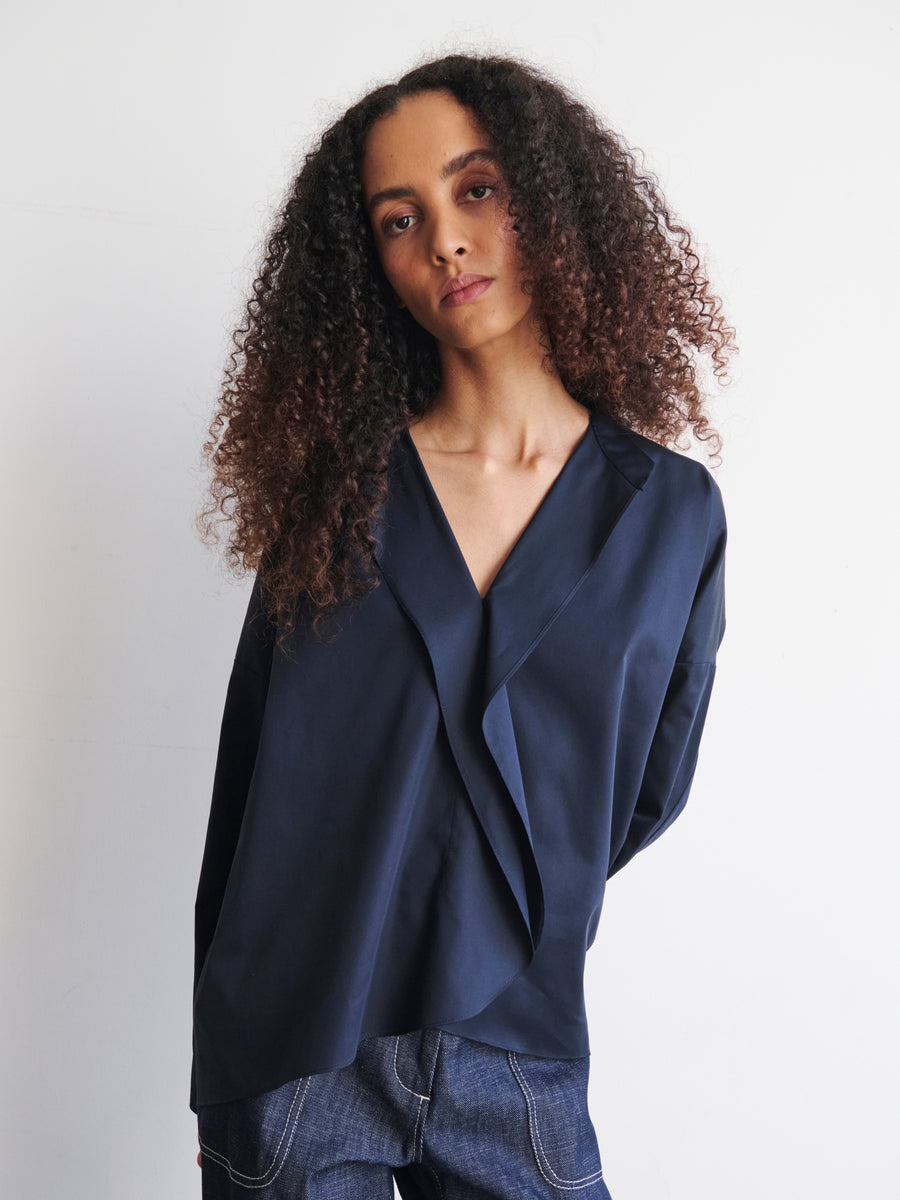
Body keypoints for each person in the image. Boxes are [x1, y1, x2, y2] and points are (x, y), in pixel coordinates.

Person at [190, 51, 734, 1199]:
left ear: (550, 194)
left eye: (475, 189)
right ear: (367, 267)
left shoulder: (670, 514)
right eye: (401, 218)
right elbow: (250, 781)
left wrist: (493, 902)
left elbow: (642, 792)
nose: (443, 238)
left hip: (518, 1056)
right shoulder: (337, 494)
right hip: (300, 1051)